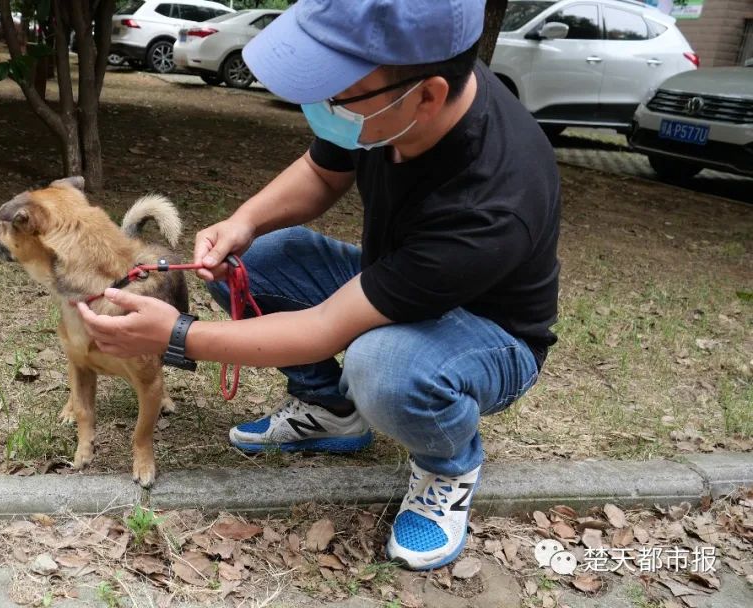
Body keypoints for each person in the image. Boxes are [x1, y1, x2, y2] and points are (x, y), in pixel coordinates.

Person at [77, 0, 560, 570]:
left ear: (427, 96)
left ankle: (449, 466)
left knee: (384, 366)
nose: (320, 105)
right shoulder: (400, 91)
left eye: (337, 94)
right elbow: (321, 171)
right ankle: (331, 411)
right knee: (257, 261)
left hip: (488, 335)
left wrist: (175, 334)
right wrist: (243, 223)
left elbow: (324, 328)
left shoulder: (494, 201)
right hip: (400, 280)